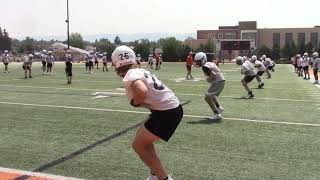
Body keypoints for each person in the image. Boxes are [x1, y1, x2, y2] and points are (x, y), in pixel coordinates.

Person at [111, 45, 183, 180]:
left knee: (138, 145)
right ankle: (155, 174)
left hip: (166, 112)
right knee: (143, 141)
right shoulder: (140, 70)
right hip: (170, 108)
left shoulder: (130, 74)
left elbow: (142, 91)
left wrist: (137, 101)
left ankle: (163, 178)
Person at [194, 52, 225, 120]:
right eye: (197, 62)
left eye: (199, 61)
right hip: (220, 81)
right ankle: (219, 108)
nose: (197, 63)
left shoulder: (205, 66)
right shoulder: (209, 63)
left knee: (207, 97)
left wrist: (208, 79)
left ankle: (216, 114)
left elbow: (213, 75)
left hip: (218, 82)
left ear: (203, 59)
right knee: (211, 95)